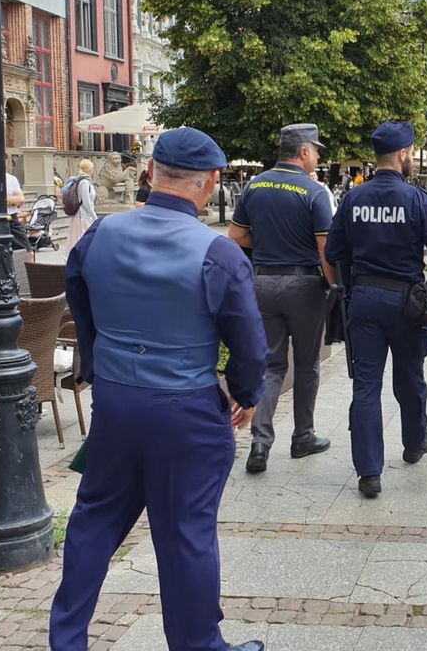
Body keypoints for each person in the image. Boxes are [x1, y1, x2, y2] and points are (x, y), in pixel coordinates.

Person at [50, 127, 267, 651]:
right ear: (211, 183)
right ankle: (198, 646)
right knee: (186, 532)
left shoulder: (100, 234)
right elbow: (250, 347)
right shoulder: (218, 253)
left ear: (150, 173)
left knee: (94, 520)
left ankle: (68, 639)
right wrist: (243, 392)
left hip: (118, 401)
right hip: (186, 407)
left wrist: (101, 370)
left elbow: (79, 307)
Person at [324, 121, 427, 499]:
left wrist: (346, 289)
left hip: (363, 301)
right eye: (411, 151)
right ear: (402, 155)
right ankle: (414, 442)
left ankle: (369, 473)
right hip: (407, 305)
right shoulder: (417, 199)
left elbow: (333, 253)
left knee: (366, 385)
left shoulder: (353, 198)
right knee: (410, 377)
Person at [230, 123, 335, 474]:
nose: (318, 156)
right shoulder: (314, 192)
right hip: (303, 287)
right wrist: (334, 286)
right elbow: (325, 250)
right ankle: (303, 436)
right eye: (316, 150)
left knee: (272, 365)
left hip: (262, 284)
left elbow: (236, 236)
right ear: (303, 152)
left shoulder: (254, 185)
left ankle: (260, 443)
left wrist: (268, 248)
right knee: (306, 365)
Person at [66, 159, 98, 250]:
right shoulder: (84, 182)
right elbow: (86, 201)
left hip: (85, 216)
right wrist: (94, 216)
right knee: (80, 241)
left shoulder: (85, 181)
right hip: (82, 217)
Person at [5, 169, 34, 252]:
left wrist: (5, 201)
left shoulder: (11, 179)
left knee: (27, 251)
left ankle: (27, 265)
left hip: (11, 217)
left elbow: (21, 199)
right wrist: (12, 201)